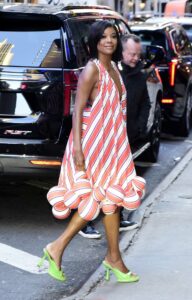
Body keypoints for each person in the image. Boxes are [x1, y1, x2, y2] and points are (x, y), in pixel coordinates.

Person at [38, 20, 145, 283]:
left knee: (112, 201)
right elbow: (78, 108)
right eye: (103, 37)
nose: (109, 41)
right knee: (98, 200)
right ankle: (59, 247)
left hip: (113, 145)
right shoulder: (92, 69)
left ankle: (113, 258)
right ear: (94, 42)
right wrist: (76, 149)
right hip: (93, 144)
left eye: (113, 37)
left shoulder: (116, 68)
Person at [118, 34, 151, 232]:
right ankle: (86, 222)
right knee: (98, 179)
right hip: (108, 137)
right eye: (131, 54)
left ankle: (119, 216)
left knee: (123, 179)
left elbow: (146, 103)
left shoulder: (139, 75)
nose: (135, 58)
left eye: (138, 54)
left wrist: (138, 127)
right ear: (121, 52)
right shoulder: (111, 73)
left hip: (128, 137)